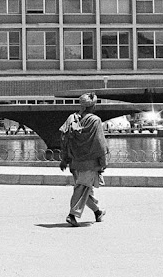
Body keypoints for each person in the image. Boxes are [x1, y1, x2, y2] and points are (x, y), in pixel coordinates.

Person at [59, 92, 108, 227]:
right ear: (93, 106)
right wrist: (103, 162)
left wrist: (64, 159)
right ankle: (72, 215)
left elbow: (64, 139)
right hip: (89, 162)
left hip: (75, 162)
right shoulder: (95, 120)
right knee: (82, 188)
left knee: (86, 189)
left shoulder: (72, 118)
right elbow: (100, 143)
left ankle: (98, 212)